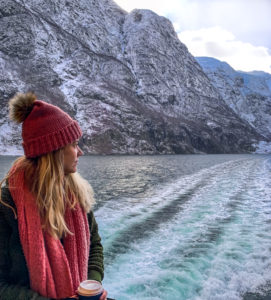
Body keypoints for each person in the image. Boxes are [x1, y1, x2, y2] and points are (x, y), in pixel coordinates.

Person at [0, 92, 108, 300]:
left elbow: (94, 245)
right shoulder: (7, 206)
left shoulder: (77, 196)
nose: (80, 152)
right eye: (74, 144)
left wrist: (93, 284)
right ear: (55, 151)